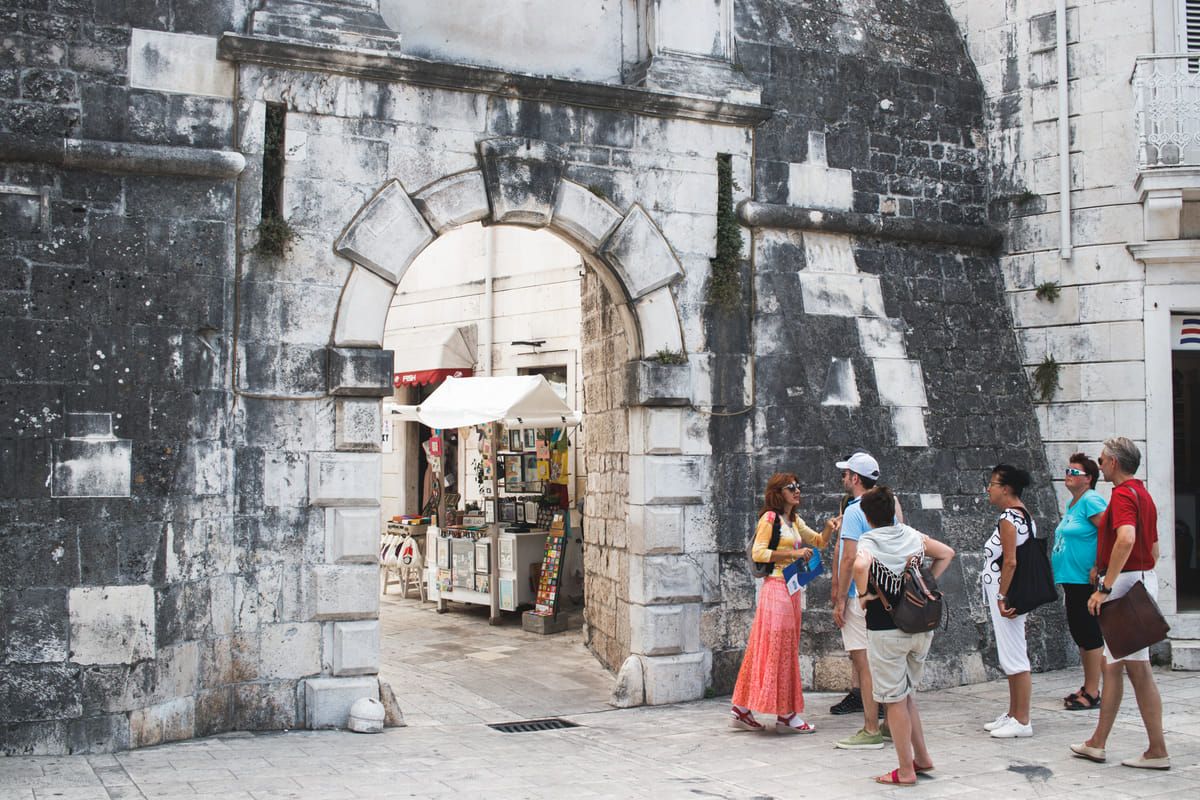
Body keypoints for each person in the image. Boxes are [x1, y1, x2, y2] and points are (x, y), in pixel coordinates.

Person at [1070, 437, 1171, 770]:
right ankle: (1097, 742)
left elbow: (1126, 538)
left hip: (1126, 585)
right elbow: (1153, 550)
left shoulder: (1125, 495)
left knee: (1138, 670)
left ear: (1114, 463)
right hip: (1140, 579)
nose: (1099, 465)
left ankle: (1156, 750)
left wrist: (1106, 586)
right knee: (1111, 665)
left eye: (1101, 460)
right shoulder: (1144, 495)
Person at [853, 486, 955, 786]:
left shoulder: (869, 539)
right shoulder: (911, 535)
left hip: (886, 629)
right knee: (906, 695)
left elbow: (860, 564)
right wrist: (926, 583)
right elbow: (946, 552)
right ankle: (922, 758)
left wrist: (863, 594)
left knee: (894, 700)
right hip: (919, 626)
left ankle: (906, 770)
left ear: (867, 516)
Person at [731, 473, 841, 733]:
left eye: (798, 486)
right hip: (776, 587)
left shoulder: (793, 521)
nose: (797, 491)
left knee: (773, 647)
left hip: (791, 589)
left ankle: (742, 710)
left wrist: (829, 526)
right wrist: (793, 552)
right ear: (778, 492)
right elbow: (759, 552)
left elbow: (819, 542)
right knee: (778, 647)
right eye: (791, 487)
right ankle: (786, 715)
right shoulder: (770, 519)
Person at [830, 452, 897, 749]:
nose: (844, 479)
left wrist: (840, 598)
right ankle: (889, 725)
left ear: (855, 478)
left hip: (861, 593)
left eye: (846, 474)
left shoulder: (857, 510)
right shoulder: (889, 507)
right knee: (884, 660)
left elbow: (849, 559)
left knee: (863, 662)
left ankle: (870, 728)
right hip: (886, 590)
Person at [980, 464, 1035, 738]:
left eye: (992, 483)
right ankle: (1014, 712)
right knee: (1010, 651)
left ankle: (1022, 719)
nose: (988, 488)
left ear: (1005, 488)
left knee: (1014, 653)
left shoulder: (1009, 518)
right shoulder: (1023, 515)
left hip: (1007, 594)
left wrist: (1002, 596)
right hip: (1010, 592)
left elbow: (1010, 561)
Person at [1051, 453, 1107, 711]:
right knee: (1080, 633)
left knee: (1089, 633)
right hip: (1071, 579)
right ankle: (1088, 685)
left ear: (1089, 478)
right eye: (1067, 470)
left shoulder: (1091, 500)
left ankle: (1094, 692)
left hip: (1084, 579)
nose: (1068, 475)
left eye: (1074, 472)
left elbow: (1110, 531)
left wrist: (1099, 565)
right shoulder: (1075, 504)